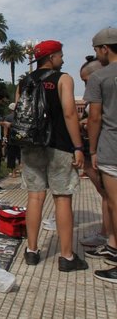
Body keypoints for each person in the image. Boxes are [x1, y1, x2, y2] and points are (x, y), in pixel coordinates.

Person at [18, 40, 87, 272]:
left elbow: (20, 114)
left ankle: (32, 251)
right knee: (62, 197)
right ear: (51, 57)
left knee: (35, 197)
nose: (63, 59)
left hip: (31, 146)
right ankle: (67, 257)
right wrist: (79, 146)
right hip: (59, 145)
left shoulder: (24, 82)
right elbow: (69, 113)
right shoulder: (63, 79)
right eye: (60, 55)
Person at [83, 28, 117, 282]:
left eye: (96, 50)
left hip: (111, 146)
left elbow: (94, 118)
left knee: (115, 203)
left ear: (105, 48)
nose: (97, 54)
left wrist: (92, 149)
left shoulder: (101, 78)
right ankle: (113, 247)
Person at [79, 55, 110, 248]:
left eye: (85, 81)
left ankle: (108, 236)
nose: (85, 87)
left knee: (108, 194)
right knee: (107, 195)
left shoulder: (102, 93)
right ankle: (107, 234)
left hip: (103, 149)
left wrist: (91, 150)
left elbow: (95, 119)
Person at [4, 102, 22, 178]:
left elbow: (5, 128)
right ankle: (22, 171)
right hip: (20, 138)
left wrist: (4, 138)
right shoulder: (20, 116)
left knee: (11, 156)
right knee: (20, 155)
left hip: (11, 139)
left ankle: (13, 173)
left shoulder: (8, 117)